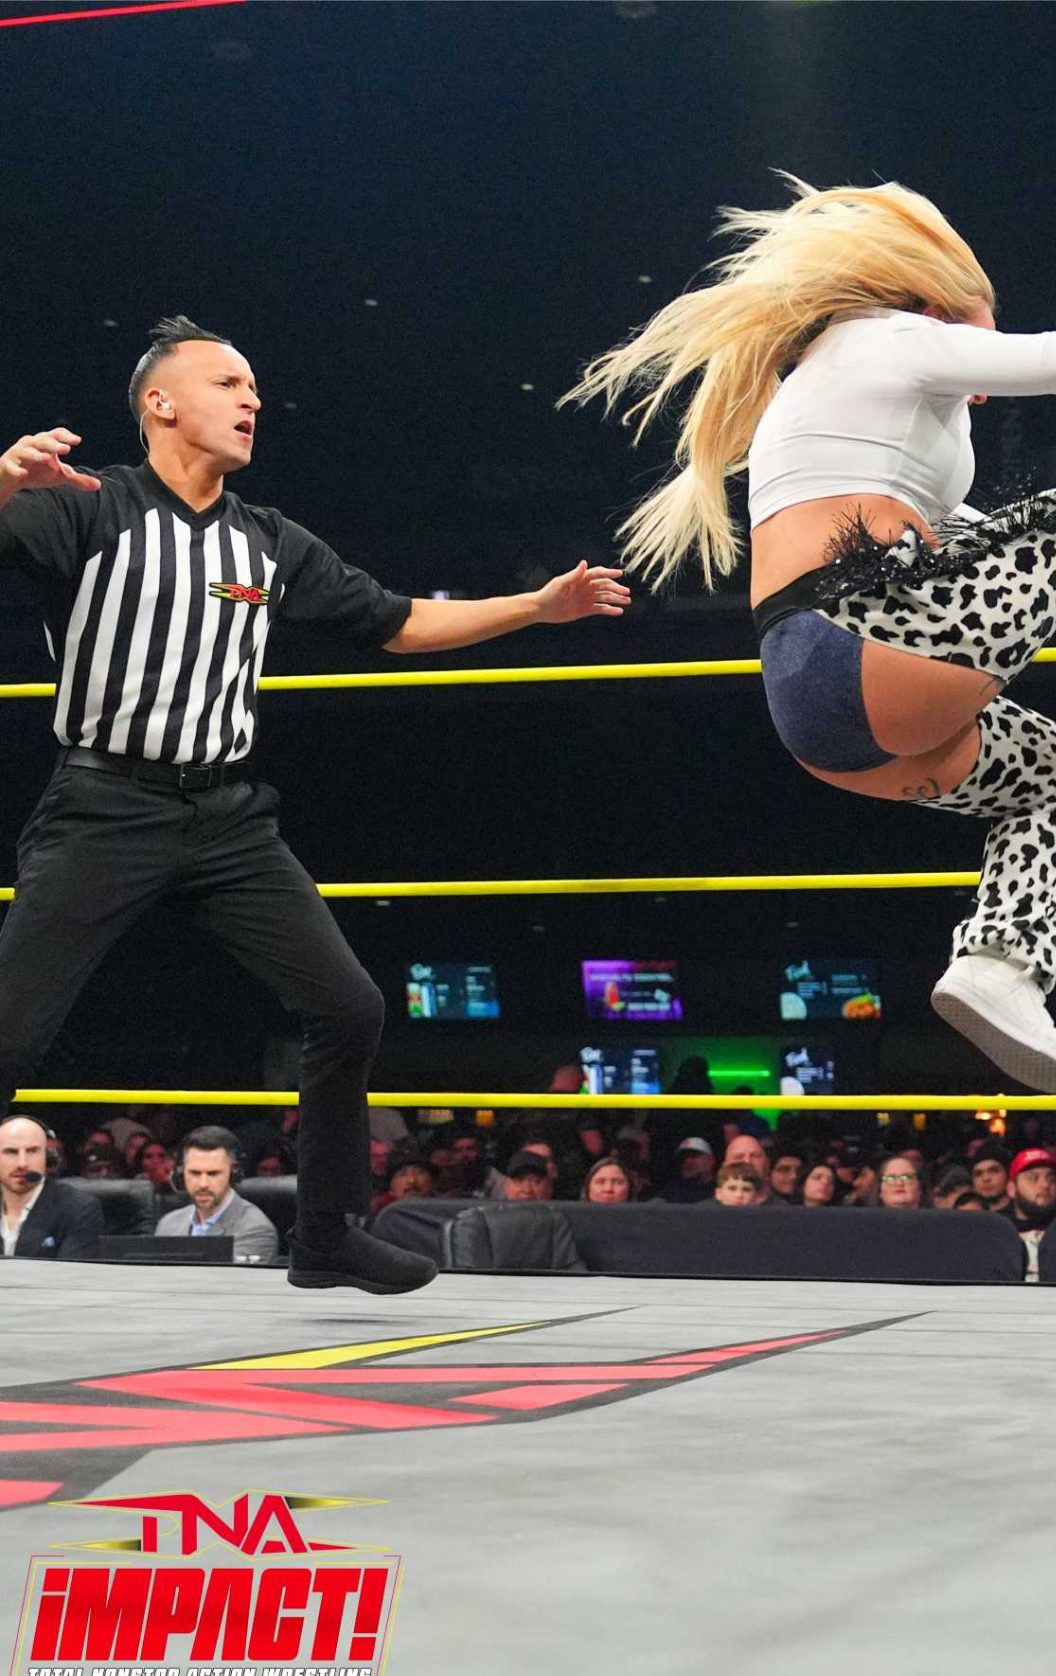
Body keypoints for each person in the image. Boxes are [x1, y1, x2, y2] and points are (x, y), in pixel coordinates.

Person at [567, 179, 1056, 1094]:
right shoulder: (885, 338)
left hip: (821, 712)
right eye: (985, 327)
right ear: (940, 307)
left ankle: (998, 968)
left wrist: (1042, 560)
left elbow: (981, 542)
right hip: (859, 635)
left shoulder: (834, 391)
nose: (986, 367)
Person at [0, 321, 628, 1295]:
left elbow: (398, 620)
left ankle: (327, 1235)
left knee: (348, 1006)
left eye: (253, 385)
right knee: (11, 1029)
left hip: (226, 815)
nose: (251, 399)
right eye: (226, 382)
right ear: (160, 403)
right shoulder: (90, 506)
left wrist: (535, 609)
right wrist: (4, 479)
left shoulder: (266, 538)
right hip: (104, 804)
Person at [152, 1126, 279, 1260]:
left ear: (233, 1172)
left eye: (213, 1174)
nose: (203, 1184)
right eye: (195, 1173)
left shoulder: (256, 1229)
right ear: (181, 1172)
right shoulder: (168, 1224)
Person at [0, 1114, 100, 1259]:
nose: (22, 1163)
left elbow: (71, 1272)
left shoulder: (78, 1208)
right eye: (11, 1152)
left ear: (48, 1157)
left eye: (32, 1151)